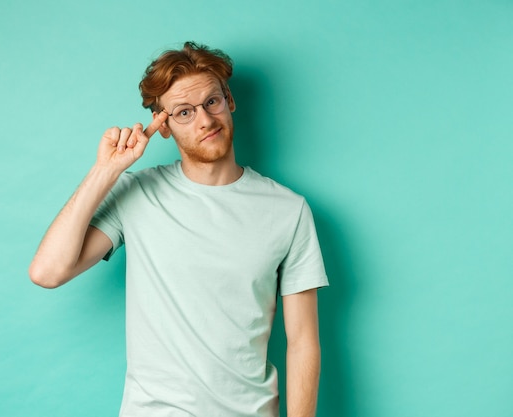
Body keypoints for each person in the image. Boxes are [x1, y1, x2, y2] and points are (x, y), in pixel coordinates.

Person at [29, 41, 328, 417]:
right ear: (164, 125)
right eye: (184, 112)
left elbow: (302, 342)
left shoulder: (288, 210)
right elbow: (47, 272)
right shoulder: (136, 193)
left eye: (211, 102)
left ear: (229, 100)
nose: (204, 120)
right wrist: (106, 171)